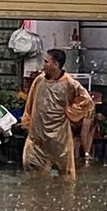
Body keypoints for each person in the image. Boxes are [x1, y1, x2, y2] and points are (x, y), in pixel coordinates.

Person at [21, 49, 92, 180]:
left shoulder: (69, 83)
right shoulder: (39, 80)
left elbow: (86, 101)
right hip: (37, 133)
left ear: (56, 64)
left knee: (60, 171)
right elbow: (30, 101)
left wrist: (70, 112)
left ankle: (58, 188)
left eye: (46, 62)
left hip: (58, 134)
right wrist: (27, 120)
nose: (43, 65)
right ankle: (36, 190)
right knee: (30, 163)